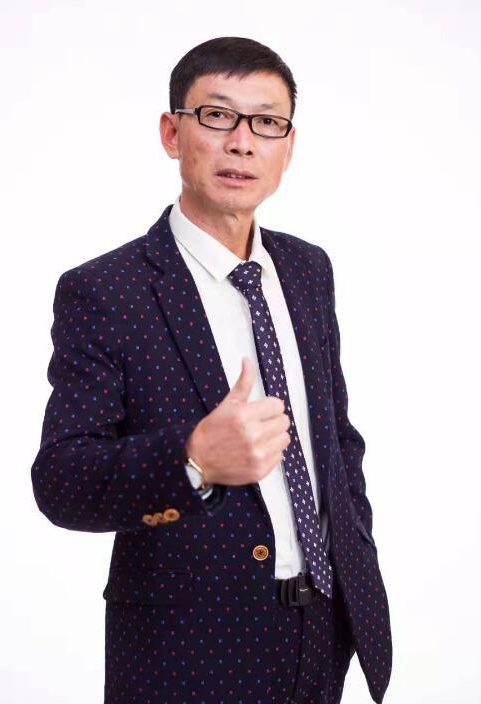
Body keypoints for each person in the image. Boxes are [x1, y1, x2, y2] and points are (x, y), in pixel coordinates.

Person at [31, 36, 392, 704]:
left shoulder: (307, 269)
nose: (242, 142)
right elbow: (62, 479)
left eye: (267, 122)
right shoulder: (107, 290)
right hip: (189, 648)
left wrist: (353, 555)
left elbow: (336, 438)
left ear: (288, 146)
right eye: (218, 116)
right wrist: (193, 460)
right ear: (173, 134)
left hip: (323, 629)